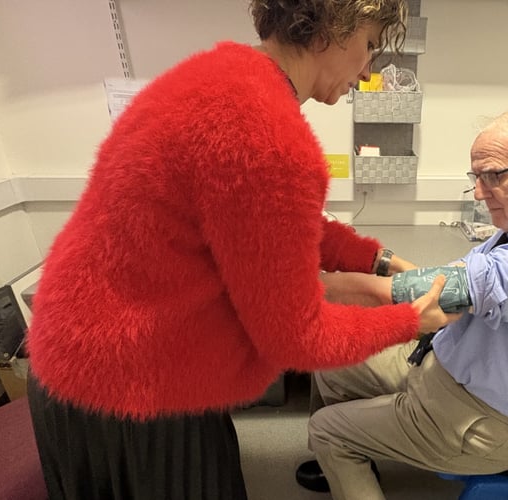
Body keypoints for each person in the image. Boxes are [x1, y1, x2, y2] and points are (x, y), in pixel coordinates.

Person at [25, 2, 461, 499]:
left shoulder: (220, 76)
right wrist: (407, 319)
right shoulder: (266, 134)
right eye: (369, 46)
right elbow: (299, 337)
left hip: (79, 359)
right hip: (132, 383)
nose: (367, 72)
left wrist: (375, 261)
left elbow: (270, 222)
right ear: (333, 29)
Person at [296, 106, 508, 500]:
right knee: (332, 364)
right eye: (475, 177)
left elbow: (417, 292)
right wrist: (394, 267)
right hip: (444, 372)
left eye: (494, 175)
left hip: (485, 421)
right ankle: (347, 460)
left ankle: (341, 447)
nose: (479, 191)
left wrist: (298, 286)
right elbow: (449, 281)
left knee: (327, 428)